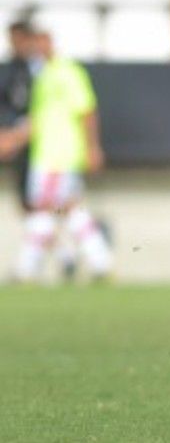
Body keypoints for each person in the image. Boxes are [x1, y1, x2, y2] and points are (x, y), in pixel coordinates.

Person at [0, 27, 112, 282]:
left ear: (48, 41)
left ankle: (26, 270)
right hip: (48, 154)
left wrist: (93, 148)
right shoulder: (43, 77)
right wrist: (13, 139)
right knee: (69, 209)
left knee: (42, 210)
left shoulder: (68, 72)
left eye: (39, 41)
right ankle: (100, 262)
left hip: (57, 155)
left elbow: (87, 110)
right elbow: (39, 120)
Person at [2, 17, 36, 218]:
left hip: (39, 142)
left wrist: (20, 133)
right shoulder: (9, 69)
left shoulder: (40, 69)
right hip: (14, 139)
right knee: (26, 200)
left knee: (48, 201)